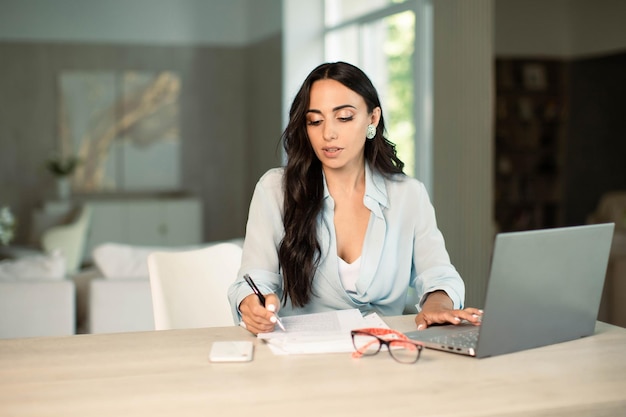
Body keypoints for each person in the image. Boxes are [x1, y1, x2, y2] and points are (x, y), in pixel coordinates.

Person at [228, 61, 482, 334]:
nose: (328, 133)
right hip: (303, 360)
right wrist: (251, 303)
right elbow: (253, 281)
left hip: (383, 354)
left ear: (372, 119)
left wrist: (438, 305)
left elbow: (438, 275)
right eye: (315, 121)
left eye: (344, 117)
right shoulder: (275, 190)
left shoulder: (408, 195)